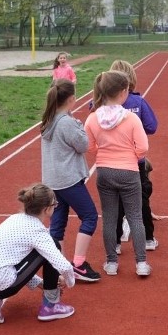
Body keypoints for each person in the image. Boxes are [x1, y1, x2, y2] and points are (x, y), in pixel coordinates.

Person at [0, 183, 76, 324]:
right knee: (53, 245)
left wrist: (41, 283)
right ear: (46, 209)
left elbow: (18, 265)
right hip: (0, 284)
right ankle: (51, 306)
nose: (56, 205)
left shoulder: (14, 219)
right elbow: (64, 266)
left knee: (24, 257)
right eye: (55, 203)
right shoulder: (37, 232)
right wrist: (69, 282)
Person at [85, 70, 151, 277]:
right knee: (135, 217)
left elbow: (89, 145)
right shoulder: (131, 119)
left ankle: (111, 262)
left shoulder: (92, 118)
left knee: (110, 218)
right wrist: (129, 156)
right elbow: (143, 148)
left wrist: (104, 152)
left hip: (104, 171)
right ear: (124, 92)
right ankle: (141, 263)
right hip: (129, 171)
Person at [41, 79, 100, 283]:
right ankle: (79, 264)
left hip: (52, 181)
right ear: (72, 99)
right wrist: (79, 125)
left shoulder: (49, 119)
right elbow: (83, 145)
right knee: (90, 216)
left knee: (57, 224)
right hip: (68, 180)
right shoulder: (66, 122)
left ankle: (57, 266)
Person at [108, 60, 159, 252]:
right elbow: (152, 127)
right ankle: (148, 239)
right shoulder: (138, 102)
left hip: (110, 162)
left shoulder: (100, 104)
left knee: (114, 202)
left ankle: (116, 243)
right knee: (140, 200)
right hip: (134, 161)